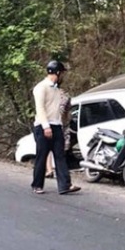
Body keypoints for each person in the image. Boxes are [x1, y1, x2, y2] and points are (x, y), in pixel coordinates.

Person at [31, 60, 80, 195]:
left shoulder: (57, 90)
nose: (63, 77)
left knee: (60, 155)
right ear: (57, 73)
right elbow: (40, 108)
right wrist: (46, 126)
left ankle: (65, 185)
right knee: (42, 156)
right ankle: (37, 184)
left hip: (57, 125)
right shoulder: (41, 87)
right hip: (43, 125)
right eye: (62, 73)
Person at [45, 89, 73, 179]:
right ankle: (54, 170)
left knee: (49, 148)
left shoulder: (52, 96)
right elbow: (67, 111)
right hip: (60, 124)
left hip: (55, 124)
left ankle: (50, 170)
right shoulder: (65, 96)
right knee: (60, 150)